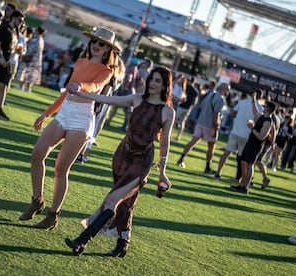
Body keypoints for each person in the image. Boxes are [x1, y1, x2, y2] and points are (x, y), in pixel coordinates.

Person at [65, 66, 175, 257]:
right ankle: (122, 244)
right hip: (122, 156)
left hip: (142, 162)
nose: (153, 83)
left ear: (165, 85)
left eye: (158, 81)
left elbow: (165, 143)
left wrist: (162, 172)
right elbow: (108, 99)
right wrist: (82, 92)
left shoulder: (167, 112)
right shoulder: (137, 98)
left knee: (112, 200)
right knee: (126, 203)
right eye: (152, 79)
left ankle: (82, 240)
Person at [18, 27, 120, 231]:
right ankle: (37, 200)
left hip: (82, 118)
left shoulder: (107, 71)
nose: (96, 45)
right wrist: (46, 114)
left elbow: (95, 87)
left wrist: (81, 86)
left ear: (108, 49)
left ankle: (53, 215)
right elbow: (66, 93)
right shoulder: (81, 62)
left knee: (61, 169)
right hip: (65, 112)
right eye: (94, 42)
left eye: (101, 44)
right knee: (37, 154)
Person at [176, 82, 230, 174]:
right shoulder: (220, 99)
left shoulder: (210, 95)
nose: (228, 91)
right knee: (211, 147)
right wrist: (216, 129)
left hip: (200, 122)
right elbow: (216, 115)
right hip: (210, 125)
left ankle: (181, 159)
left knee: (193, 142)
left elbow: (201, 106)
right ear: (223, 89)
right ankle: (208, 167)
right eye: (227, 89)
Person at [214, 89, 263, 181]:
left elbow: (232, 113)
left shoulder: (242, 102)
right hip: (246, 135)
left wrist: (238, 118)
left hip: (235, 131)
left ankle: (218, 173)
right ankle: (240, 179)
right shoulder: (260, 108)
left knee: (226, 153)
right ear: (260, 96)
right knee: (242, 159)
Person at [231, 96, 276, 194]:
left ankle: (245, 187)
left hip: (255, 146)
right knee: (243, 162)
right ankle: (241, 185)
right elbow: (255, 112)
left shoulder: (268, 122)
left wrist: (252, 128)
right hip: (250, 143)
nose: (263, 108)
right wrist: (253, 101)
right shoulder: (261, 117)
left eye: (265, 107)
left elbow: (261, 136)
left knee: (250, 165)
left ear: (268, 109)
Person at [0, 10, 25, 121]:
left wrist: (17, 52)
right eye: (19, 20)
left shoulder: (16, 31)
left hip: (8, 62)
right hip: (0, 61)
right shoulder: (5, 28)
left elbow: (13, 46)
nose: (20, 23)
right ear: (13, 18)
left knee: (4, 85)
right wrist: (1, 58)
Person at [16, 26, 46, 93]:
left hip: (31, 58)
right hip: (37, 59)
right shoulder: (42, 40)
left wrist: (24, 55)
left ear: (37, 31)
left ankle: (21, 86)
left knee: (26, 72)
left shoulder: (35, 39)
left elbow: (31, 49)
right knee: (32, 74)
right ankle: (28, 88)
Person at [175, 76, 198, 141]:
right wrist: (191, 107)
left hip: (181, 106)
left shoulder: (185, 87)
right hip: (188, 108)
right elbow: (195, 102)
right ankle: (178, 136)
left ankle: (170, 134)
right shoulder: (195, 91)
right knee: (182, 122)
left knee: (174, 120)